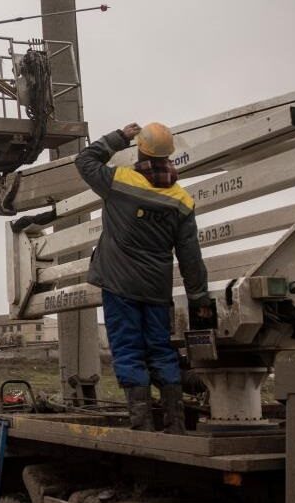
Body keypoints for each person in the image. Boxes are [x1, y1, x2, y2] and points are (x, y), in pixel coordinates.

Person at [75, 122, 212, 434]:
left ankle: (143, 426)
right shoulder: (181, 200)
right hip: (156, 290)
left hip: (120, 286)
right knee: (161, 351)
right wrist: (199, 300)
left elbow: (84, 160)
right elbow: (191, 258)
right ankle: (175, 423)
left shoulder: (118, 181)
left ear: (140, 149)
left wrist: (119, 137)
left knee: (128, 351)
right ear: (169, 155)